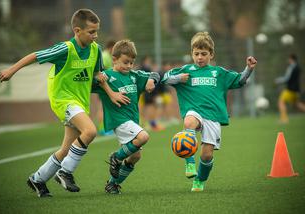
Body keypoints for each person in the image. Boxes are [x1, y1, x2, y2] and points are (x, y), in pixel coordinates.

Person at [0, 9, 129, 197]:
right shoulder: (65, 49)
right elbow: (35, 55)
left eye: (97, 31)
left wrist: (111, 94)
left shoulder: (96, 50)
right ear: (77, 30)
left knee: (67, 149)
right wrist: (11, 70)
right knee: (90, 131)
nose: (96, 35)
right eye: (91, 32)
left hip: (81, 103)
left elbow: (98, 76)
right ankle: (65, 172)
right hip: (64, 101)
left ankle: (37, 179)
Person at [161, 32, 257, 192]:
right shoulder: (186, 70)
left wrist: (248, 69)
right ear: (192, 53)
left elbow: (239, 81)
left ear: (211, 54)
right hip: (194, 112)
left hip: (213, 117)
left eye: (204, 54)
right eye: (196, 54)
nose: (199, 57)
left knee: (207, 155)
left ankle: (200, 180)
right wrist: (178, 79)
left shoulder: (218, 73)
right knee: (188, 122)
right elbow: (165, 78)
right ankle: (190, 163)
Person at [93, 40, 160, 194]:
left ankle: (112, 184)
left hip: (132, 120)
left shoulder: (134, 76)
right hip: (119, 120)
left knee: (135, 156)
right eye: (125, 62)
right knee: (143, 136)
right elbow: (87, 81)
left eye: (131, 62)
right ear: (114, 59)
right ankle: (116, 158)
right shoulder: (107, 76)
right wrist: (97, 77)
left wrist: (151, 80)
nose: (129, 66)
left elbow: (155, 74)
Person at [275, 53, 305, 123]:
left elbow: (287, 78)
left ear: (291, 59)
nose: (288, 60)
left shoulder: (291, 67)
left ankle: (284, 119)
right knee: (297, 104)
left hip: (290, 89)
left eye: (289, 59)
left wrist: (278, 80)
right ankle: (284, 119)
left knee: (281, 102)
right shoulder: (298, 67)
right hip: (296, 90)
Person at [96, 39, 116, 135]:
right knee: (102, 106)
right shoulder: (104, 56)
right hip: (102, 85)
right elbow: (100, 71)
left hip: (106, 85)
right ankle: (101, 128)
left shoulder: (107, 56)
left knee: (105, 106)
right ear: (111, 47)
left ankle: (105, 128)